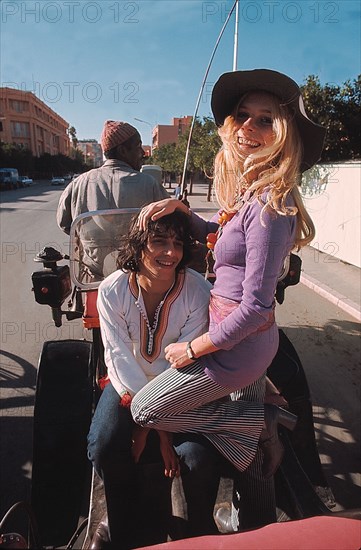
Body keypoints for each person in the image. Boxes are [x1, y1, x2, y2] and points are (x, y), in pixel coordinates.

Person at [131, 69, 326, 510]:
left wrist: (194, 348)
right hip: (231, 334)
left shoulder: (271, 205)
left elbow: (257, 307)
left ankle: (258, 420)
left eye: (266, 120)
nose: (250, 128)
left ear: (283, 134)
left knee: (146, 409)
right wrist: (183, 210)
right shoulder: (249, 193)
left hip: (237, 344)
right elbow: (223, 238)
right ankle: (256, 507)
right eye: (243, 116)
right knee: (252, 462)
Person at [87, 211, 223, 549]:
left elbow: (187, 365)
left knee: (197, 459)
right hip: (128, 387)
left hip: (181, 389)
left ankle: (199, 533)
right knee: (103, 445)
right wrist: (160, 431)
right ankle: (118, 522)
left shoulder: (197, 291)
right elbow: (118, 358)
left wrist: (148, 428)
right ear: (139, 245)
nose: (170, 253)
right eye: (159, 241)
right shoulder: (112, 289)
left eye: (177, 244)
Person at [56, 120, 169, 235]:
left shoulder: (78, 183)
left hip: (90, 253)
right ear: (123, 151)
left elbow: (65, 224)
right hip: (137, 253)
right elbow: (171, 223)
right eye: (138, 146)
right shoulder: (149, 183)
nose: (143, 152)